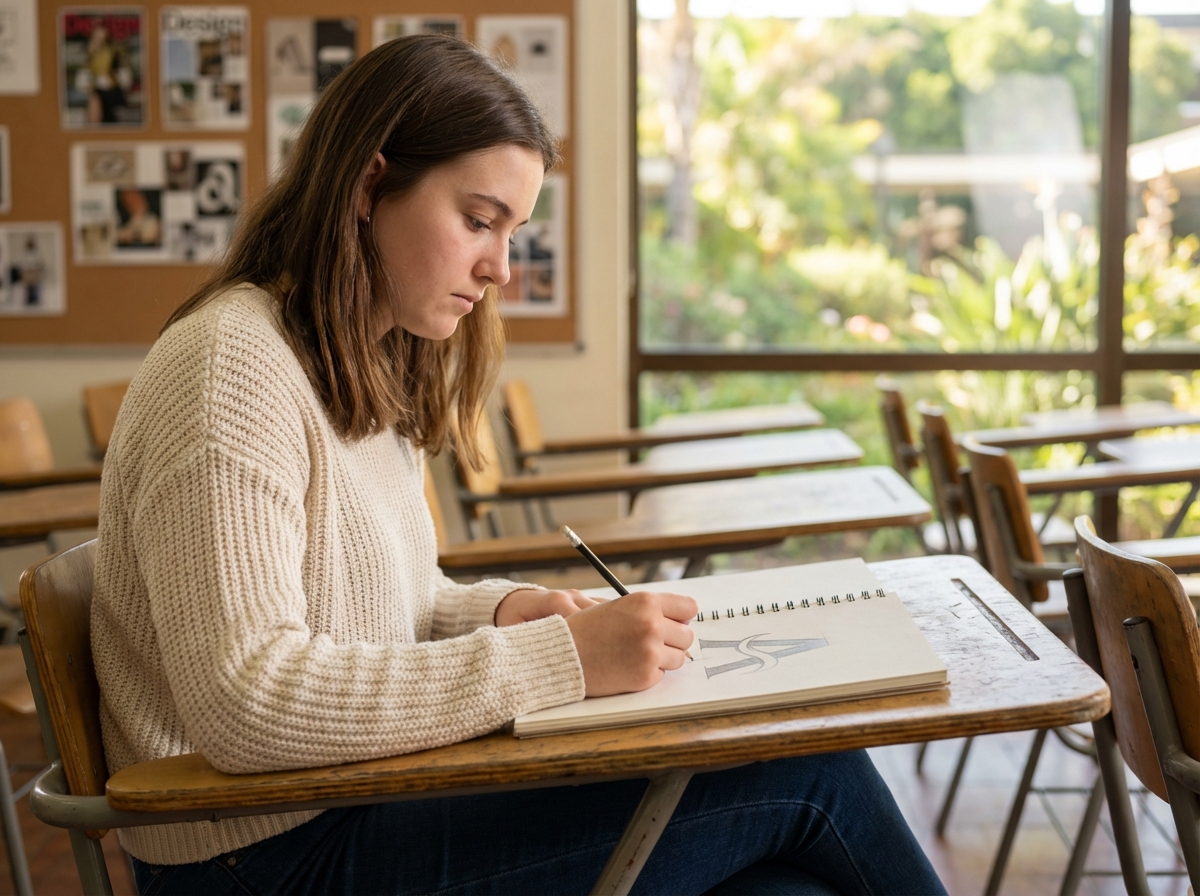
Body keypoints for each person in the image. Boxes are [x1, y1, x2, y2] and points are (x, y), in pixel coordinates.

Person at [91, 34, 946, 896]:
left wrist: (510, 614)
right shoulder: (227, 368)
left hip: (349, 801)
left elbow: (399, 607)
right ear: (367, 185)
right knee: (800, 768)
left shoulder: (353, 360)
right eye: (477, 220)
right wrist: (563, 658)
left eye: (512, 230)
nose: (500, 266)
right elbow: (248, 702)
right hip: (262, 859)